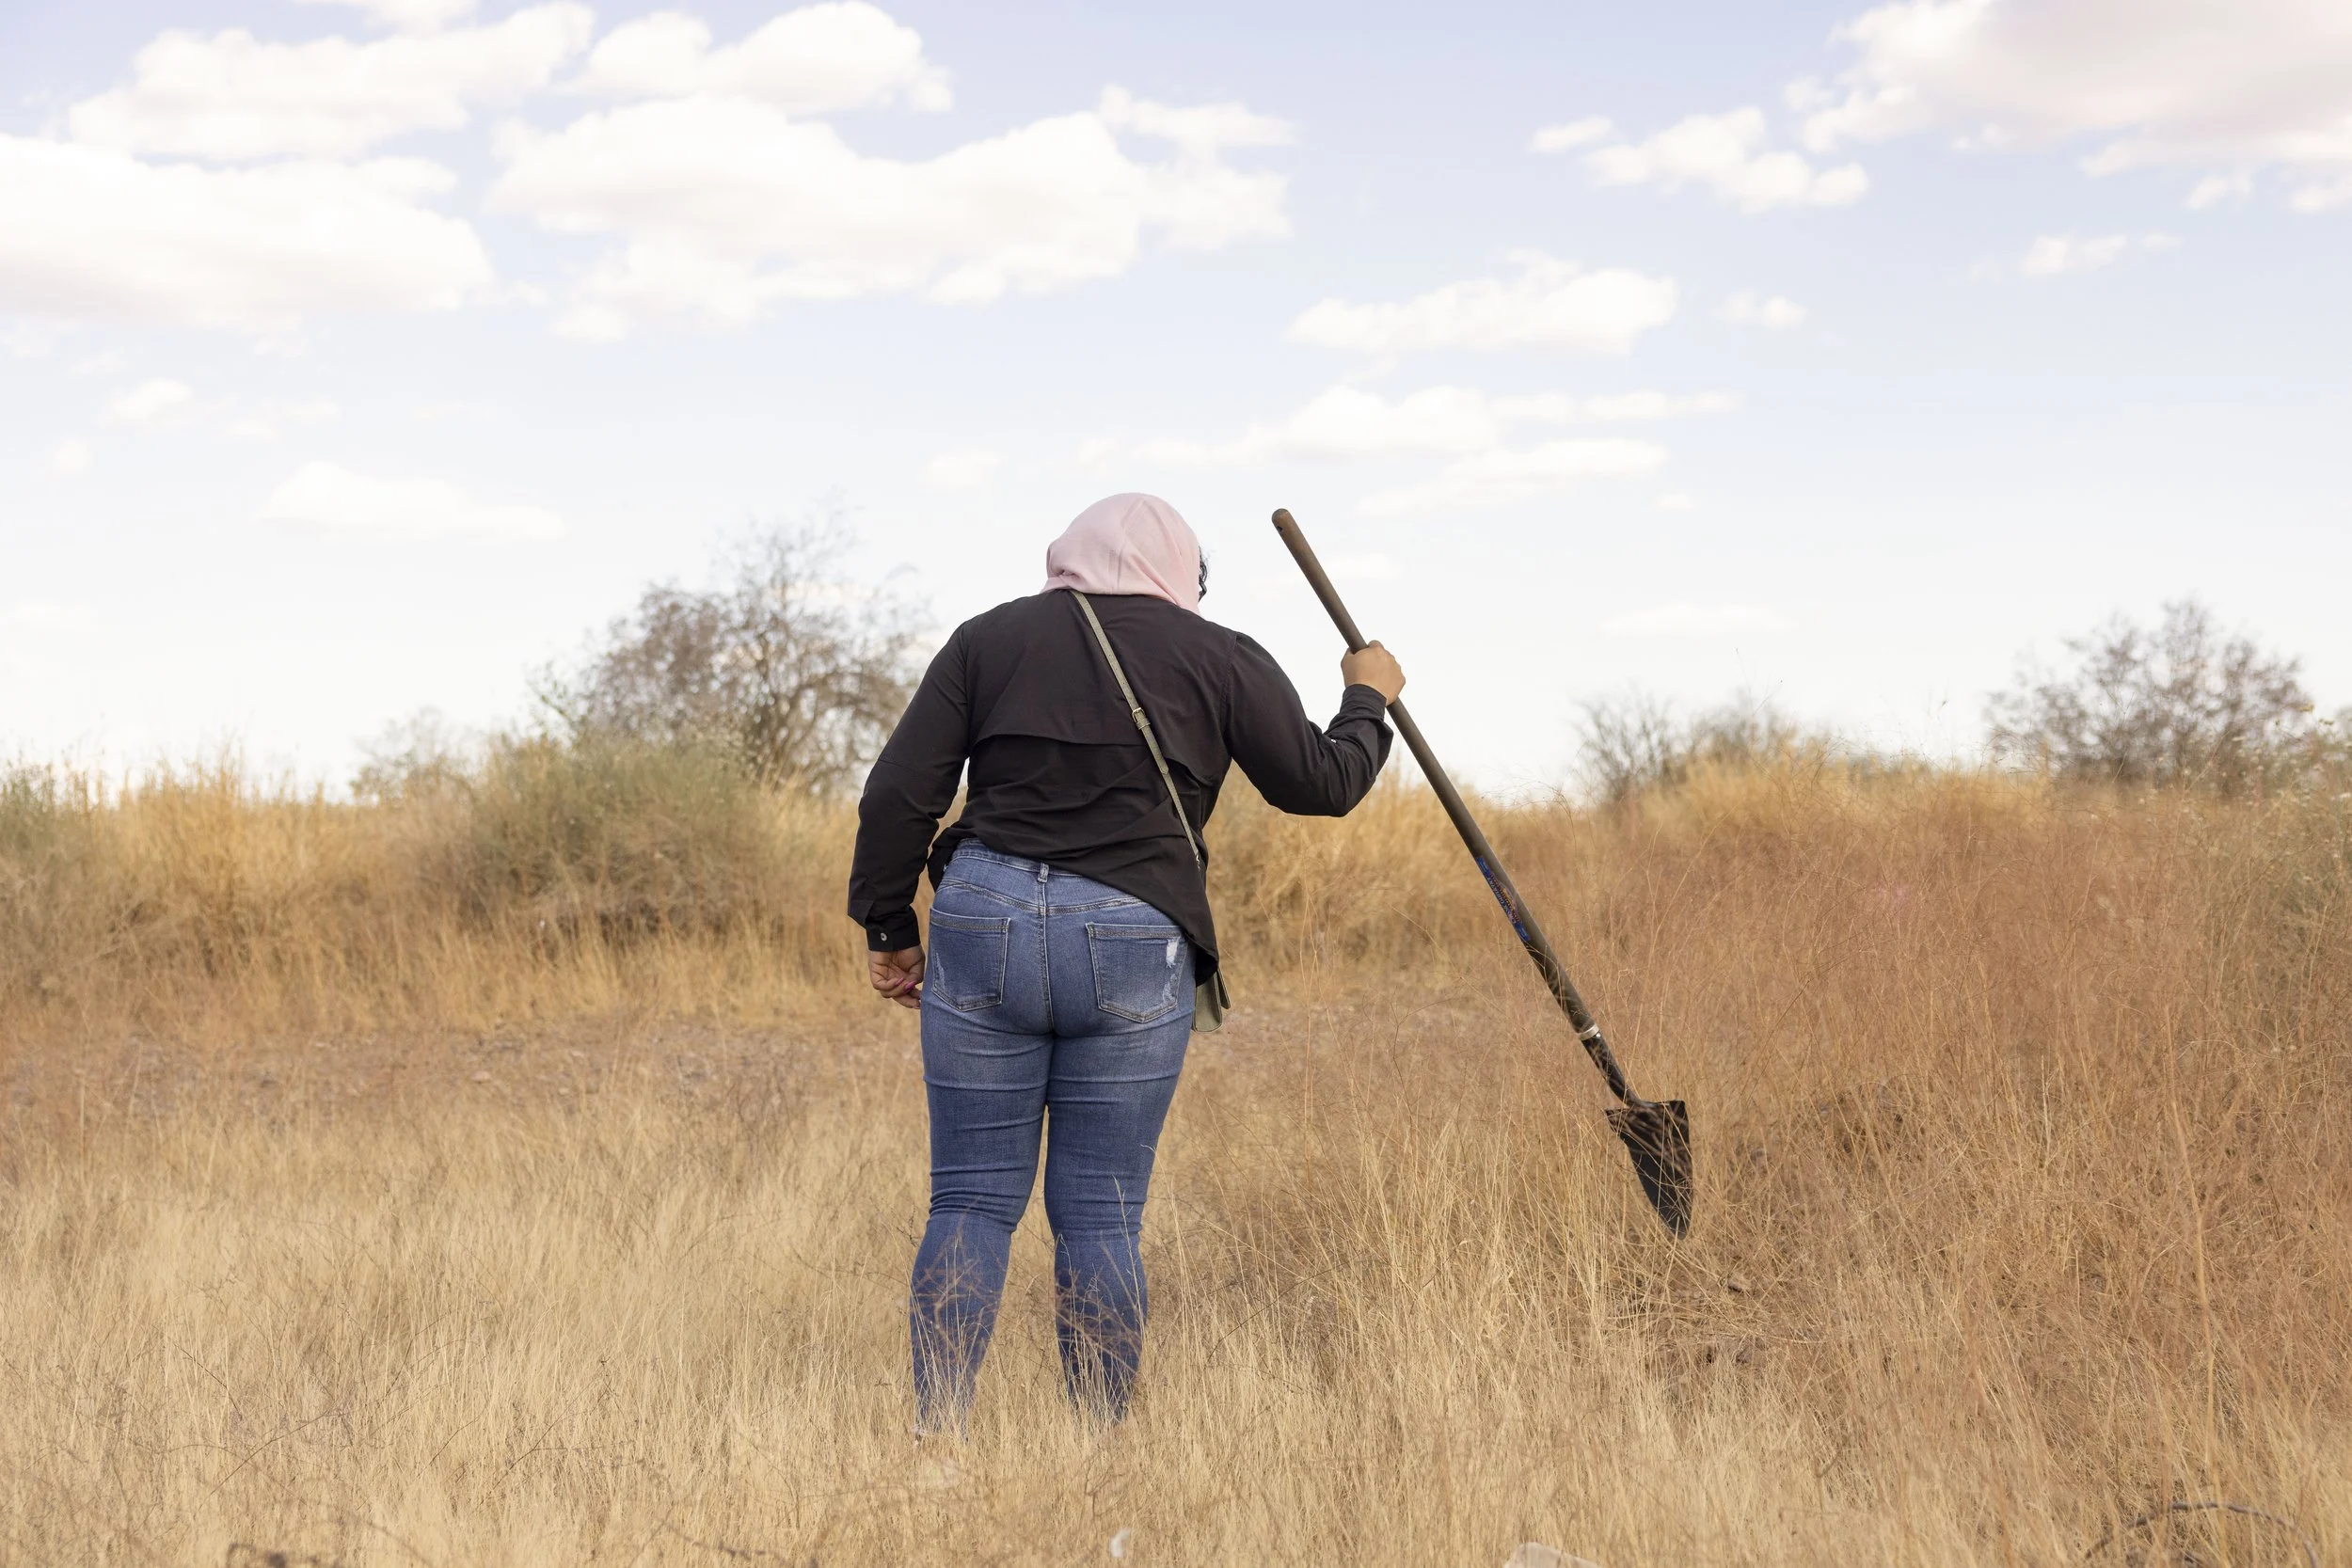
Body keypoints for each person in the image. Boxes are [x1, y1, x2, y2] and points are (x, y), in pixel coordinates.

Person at [847, 492, 1406, 1432]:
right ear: (1183, 574)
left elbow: (898, 792)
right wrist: (1368, 698)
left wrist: (887, 922)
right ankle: (1095, 1450)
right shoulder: (1222, 655)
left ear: (1068, 554)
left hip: (984, 915)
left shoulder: (987, 640)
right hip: (1134, 928)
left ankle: (936, 1441)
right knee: (1101, 1216)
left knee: (970, 1201)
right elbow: (1323, 782)